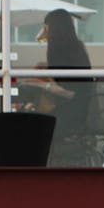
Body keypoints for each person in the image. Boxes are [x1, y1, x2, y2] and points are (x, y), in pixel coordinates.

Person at [34, 8, 91, 138]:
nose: (45, 32)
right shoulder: (77, 47)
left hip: (69, 112)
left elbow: (68, 91)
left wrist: (41, 84)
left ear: (50, 28)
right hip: (82, 109)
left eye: (46, 28)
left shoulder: (56, 51)